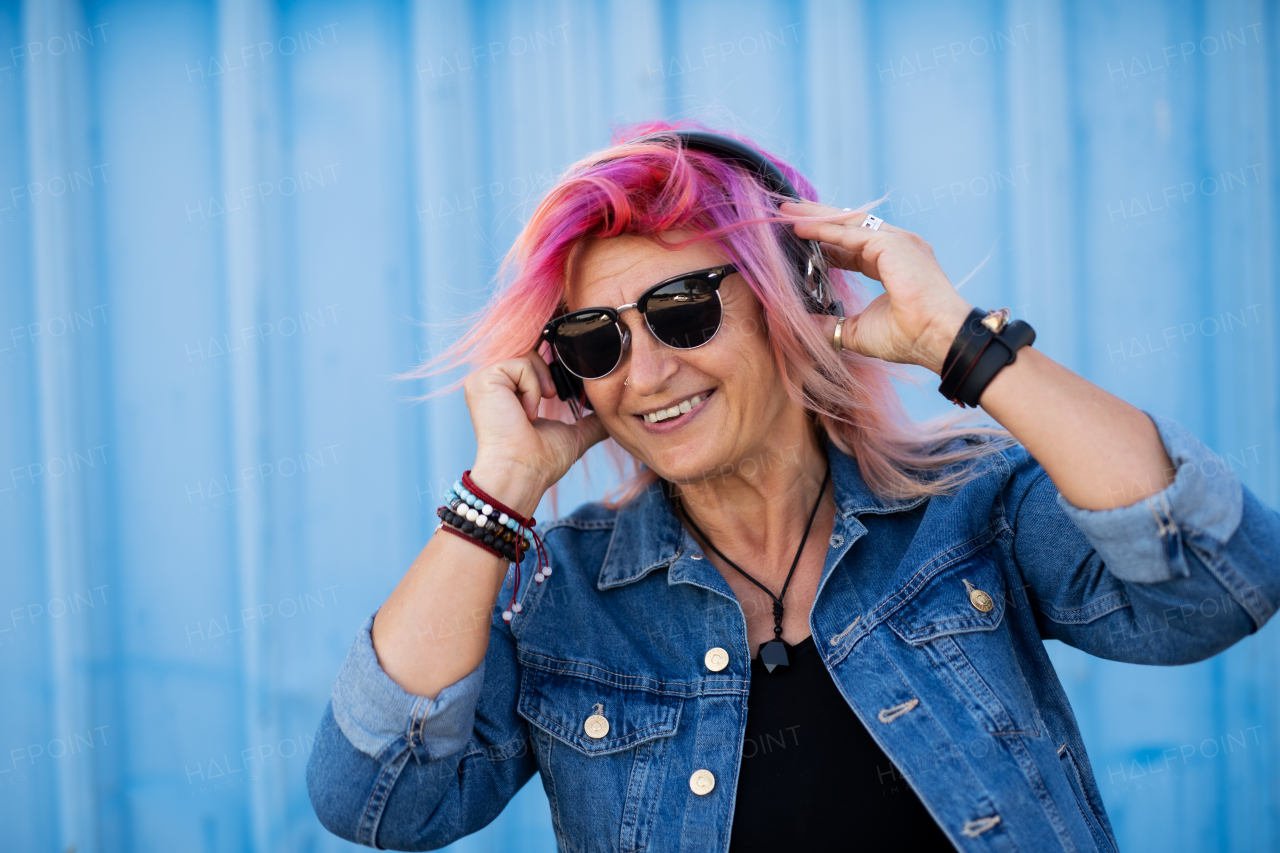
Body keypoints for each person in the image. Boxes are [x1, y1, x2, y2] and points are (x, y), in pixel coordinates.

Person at [306, 121, 1280, 852]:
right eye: (595, 341)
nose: (642, 375)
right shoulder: (558, 597)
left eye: (681, 310)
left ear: (791, 302)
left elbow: (1217, 581)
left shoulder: (967, 506)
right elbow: (376, 795)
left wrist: (963, 345)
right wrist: (498, 495)